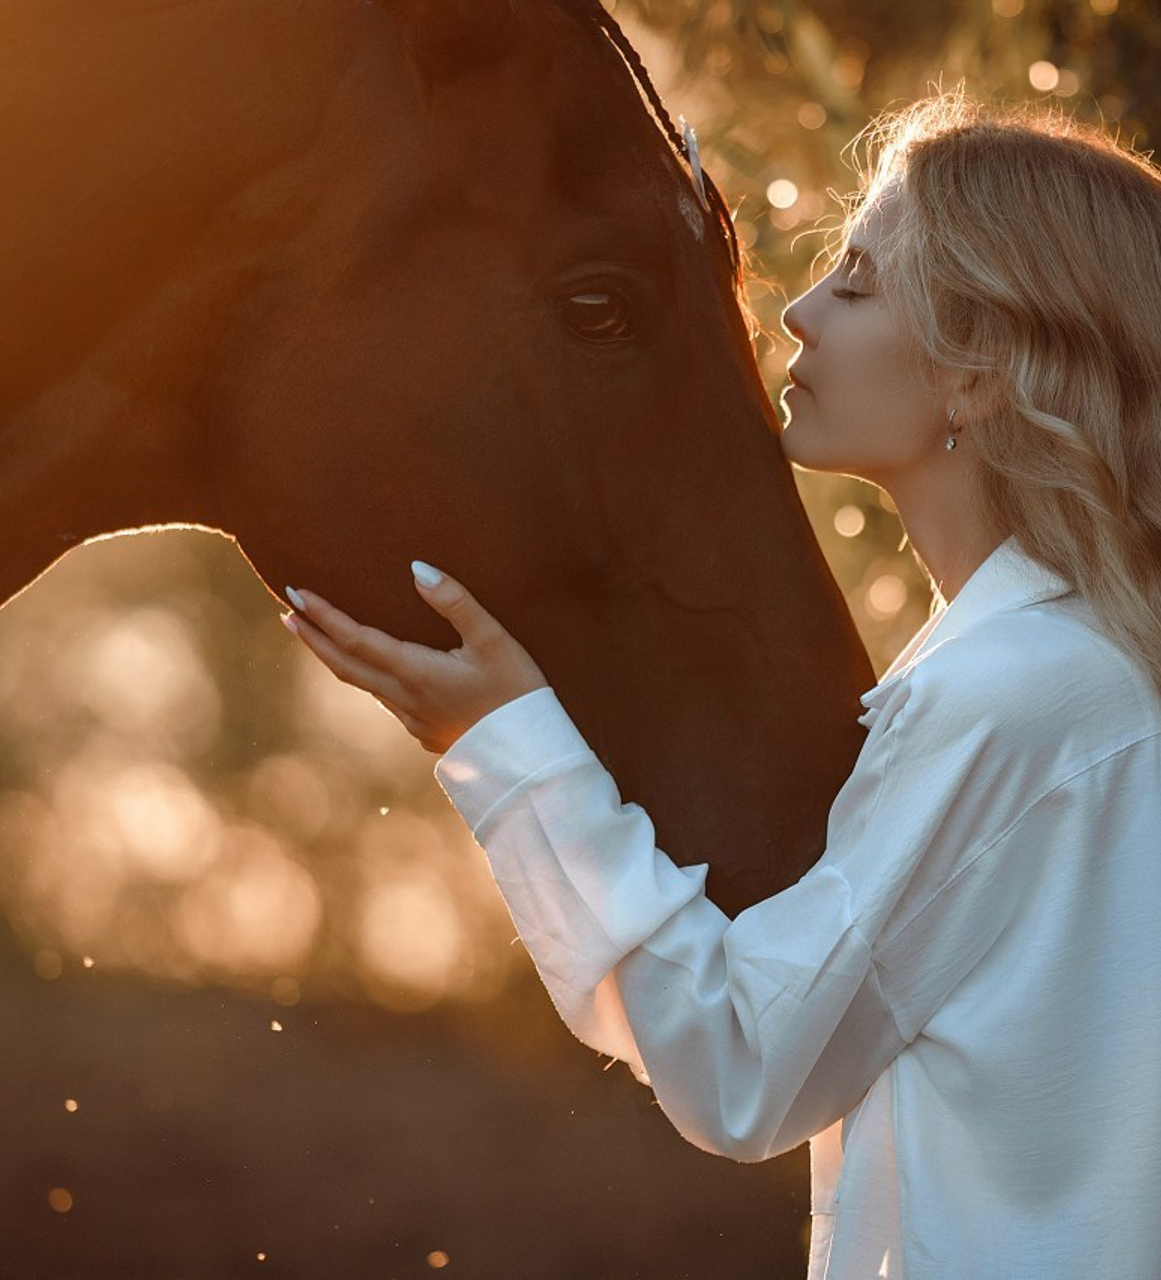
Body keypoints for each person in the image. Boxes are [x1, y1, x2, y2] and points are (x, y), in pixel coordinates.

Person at [279, 94, 1161, 1278]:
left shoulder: (1013, 694)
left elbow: (742, 1060)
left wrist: (505, 745)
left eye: (852, 287)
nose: (793, 312)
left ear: (980, 377)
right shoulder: (1080, 673)